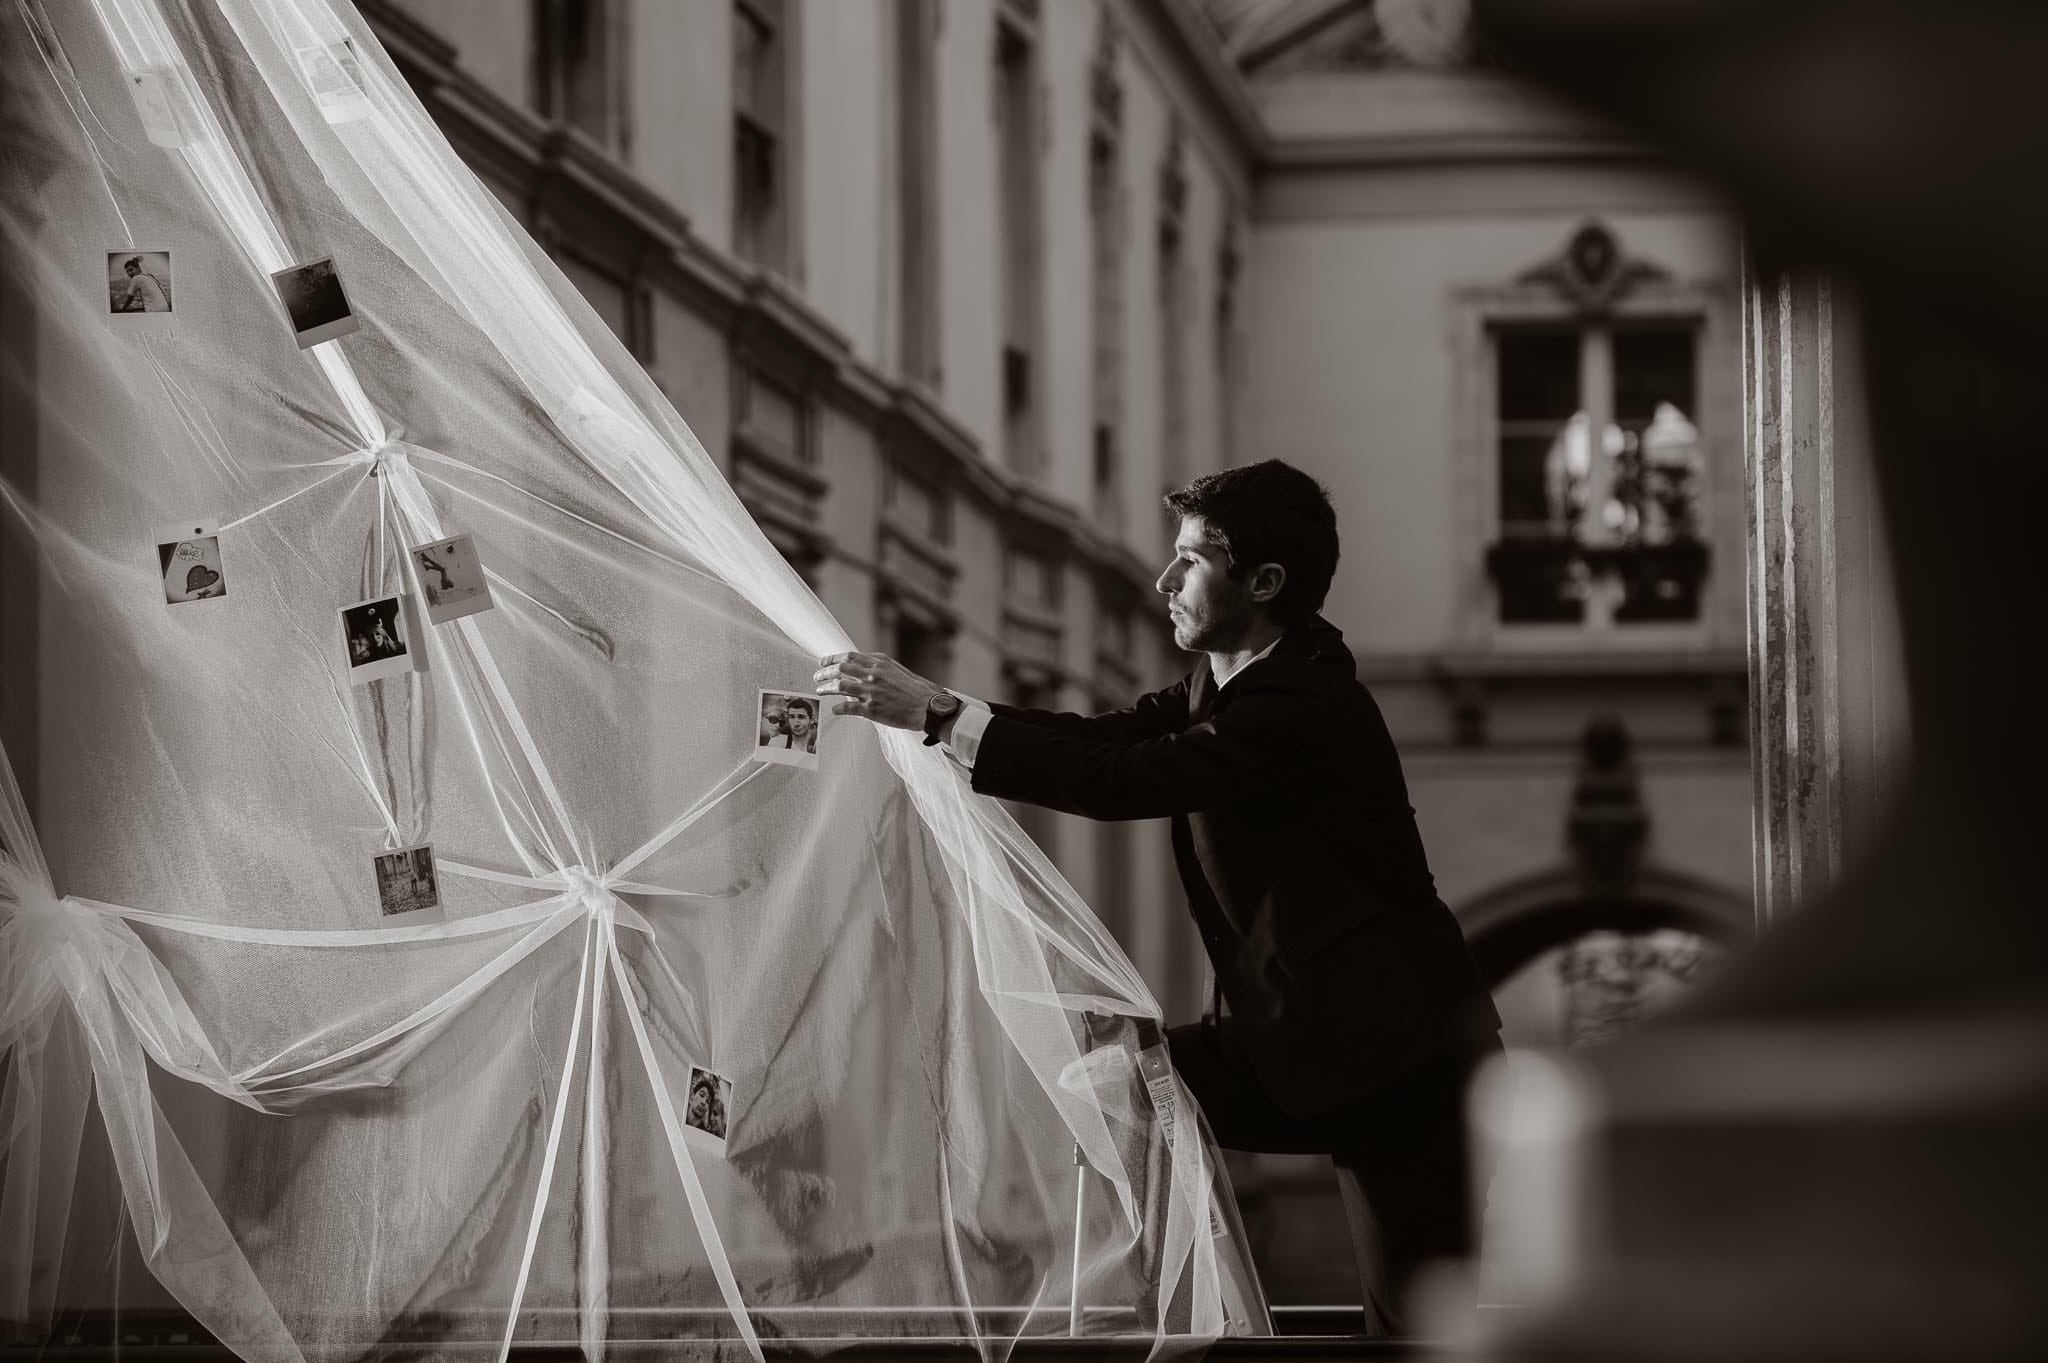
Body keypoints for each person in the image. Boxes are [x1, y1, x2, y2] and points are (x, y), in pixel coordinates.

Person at [815, 460, 1502, 1334]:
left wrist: (943, 719)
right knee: (1116, 1079)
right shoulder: (1220, 683)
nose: (1162, 579)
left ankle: (1183, 1315)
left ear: (1263, 582)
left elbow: (1124, 777)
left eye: (1190, 560)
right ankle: (1172, 1315)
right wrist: (943, 707)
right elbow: (1095, 736)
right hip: (1297, 1044)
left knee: (1418, 1337)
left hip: (1409, 1069)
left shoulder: (1303, 704)